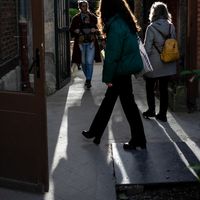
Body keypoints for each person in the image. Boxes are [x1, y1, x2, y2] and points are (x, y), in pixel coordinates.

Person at [81, 0, 146, 150]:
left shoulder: (116, 26)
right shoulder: (124, 22)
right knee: (114, 103)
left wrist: (108, 78)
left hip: (120, 71)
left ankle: (137, 139)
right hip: (123, 69)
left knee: (123, 105)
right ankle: (96, 132)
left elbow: (112, 57)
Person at [142, 2, 177, 122]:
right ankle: (162, 115)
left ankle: (151, 110)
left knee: (149, 86)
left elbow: (147, 49)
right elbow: (172, 43)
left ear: (154, 13)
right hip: (168, 63)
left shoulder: (151, 28)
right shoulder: (171, 26)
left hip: (154, 64)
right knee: (164, 89)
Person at [69, 0, 101, 89]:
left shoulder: (93, 17)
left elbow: (99, 28)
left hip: (91, 42)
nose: (85, 7)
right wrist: (75, 31)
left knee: (89, 62)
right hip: (80, 43)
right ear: (80, 7)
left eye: (86, 6)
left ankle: (88, 80)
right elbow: (71, 29)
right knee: (83, 62)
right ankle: (88, 78)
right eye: (83, 6)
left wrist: (95, 30)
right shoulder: (75, 18)